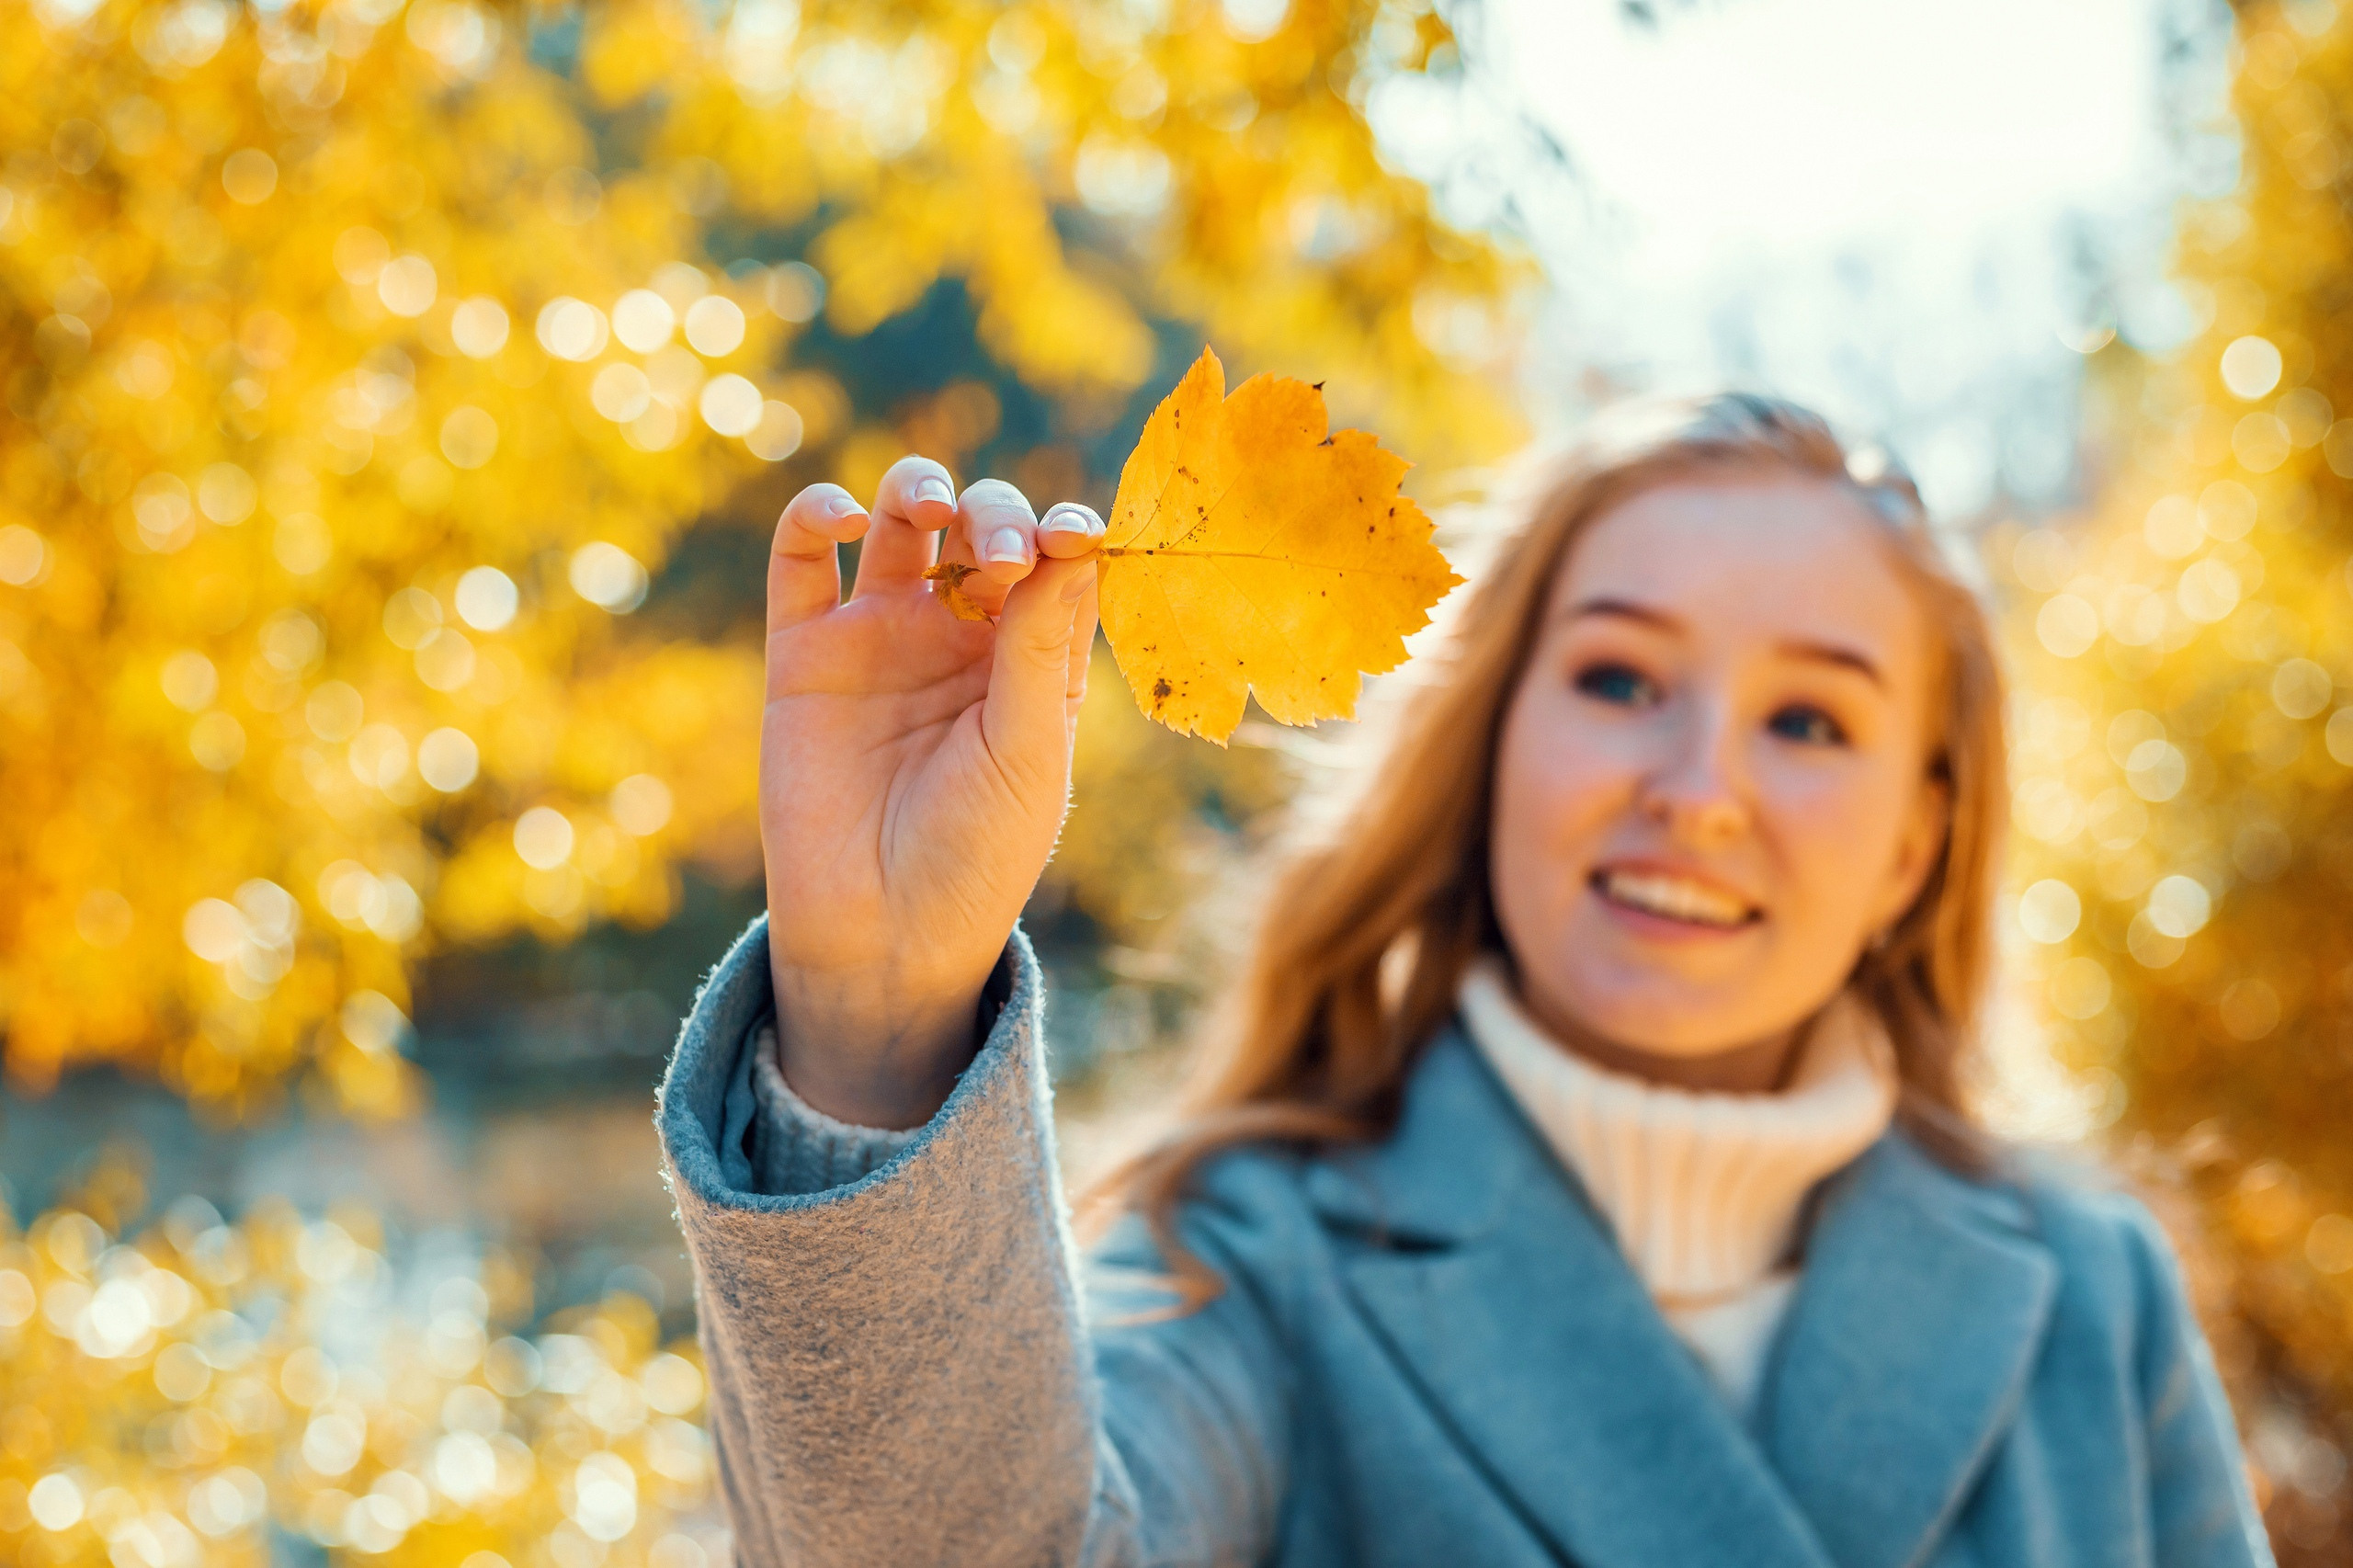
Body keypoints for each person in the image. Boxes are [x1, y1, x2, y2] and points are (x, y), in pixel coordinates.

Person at [654, 394, 2273, 1567]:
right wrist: (878, 1001)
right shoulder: (1255, 1256)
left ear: (1918, 844)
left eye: (1809, 721)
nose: (1698, 786)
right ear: (1491, 742)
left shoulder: (2089, 1290)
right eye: (1621, 677)